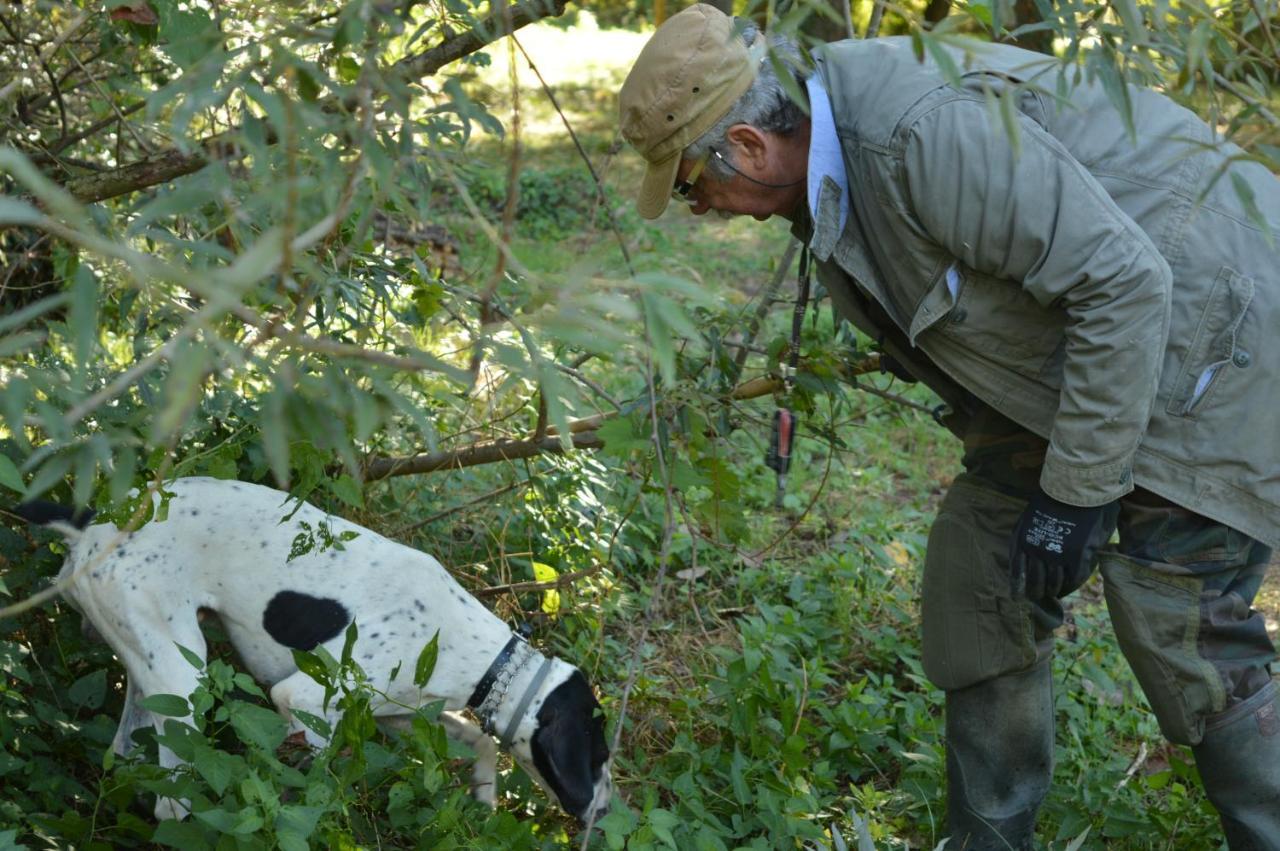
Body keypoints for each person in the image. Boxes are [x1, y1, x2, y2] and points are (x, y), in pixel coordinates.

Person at [618, 5, 1280, 849]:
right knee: (978, 572)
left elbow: (1122, 284)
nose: (699, 209)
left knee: (1177, 617)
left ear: (747, 145)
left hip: (1221, 330)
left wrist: (1075, 497)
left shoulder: (916, 136)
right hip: (1097, 356)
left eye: (688, 186)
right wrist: (1036, 487)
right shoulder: (829, 175)